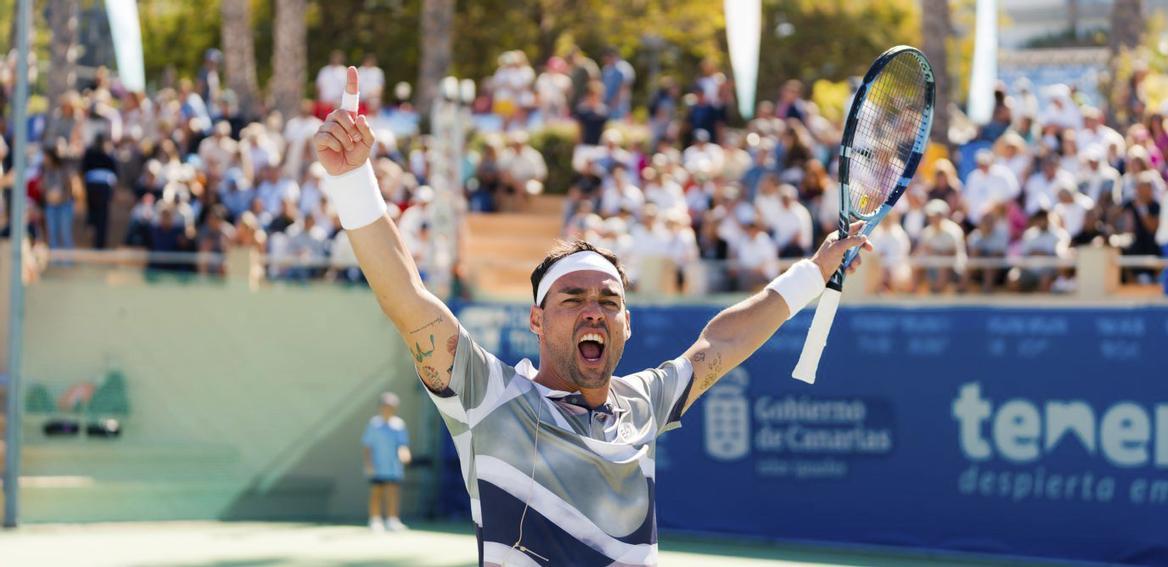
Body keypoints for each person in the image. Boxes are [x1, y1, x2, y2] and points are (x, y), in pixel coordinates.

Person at [314, 66, 872, 565]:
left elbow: (720, 343)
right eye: (573, 299)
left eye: (609, 302)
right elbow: (408, 301)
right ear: (536, 321)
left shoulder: (642, 403)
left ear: (626, 324)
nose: (593, 313)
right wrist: (352, 181)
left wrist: (813, 271)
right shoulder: (488, 396)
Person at [362, 391, 412, 532]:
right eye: (385, 406)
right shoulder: (373, 424)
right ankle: (375, 520)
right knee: (376, 493)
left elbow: (402, 444)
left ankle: (392, 520)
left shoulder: (399, 425)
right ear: (380, 407)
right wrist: (368, 464)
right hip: (377, 466)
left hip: (393, 466)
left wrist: (405, 453)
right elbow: (367, 446)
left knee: (392, 492)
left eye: (391, 406)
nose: (388, 409)